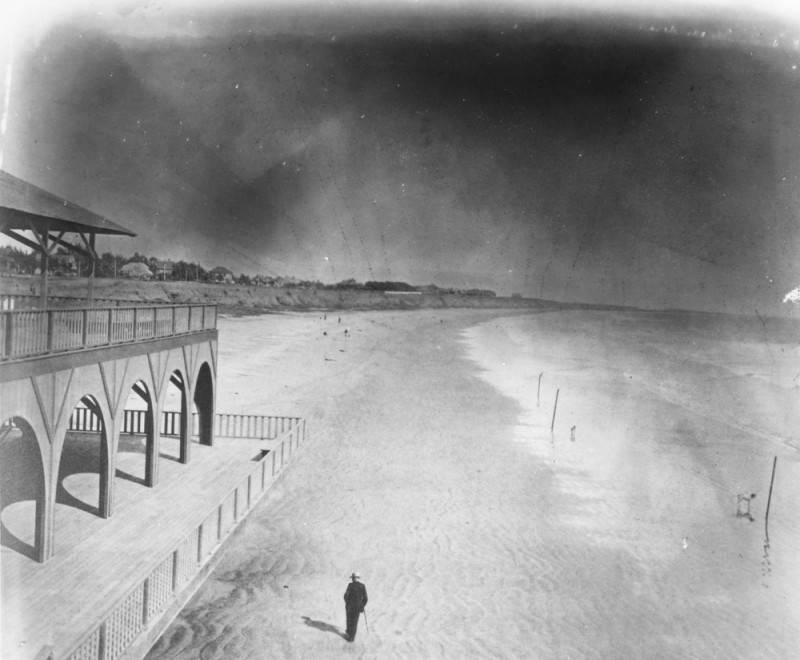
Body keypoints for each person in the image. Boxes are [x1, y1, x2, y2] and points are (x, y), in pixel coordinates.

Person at [343, 572, 368, 641]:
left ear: (357, 578)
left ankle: (350, 637)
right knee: (353, 621)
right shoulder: (361, 586)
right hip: (355, 607)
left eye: (354, 578)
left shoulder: (351, 585)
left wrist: (347, 603)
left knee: (351, 621)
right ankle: (350, 634)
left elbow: (345, 596)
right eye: (353, 578)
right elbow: (365, 598)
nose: (353, 579)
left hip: (351, 606)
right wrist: (362, 606)